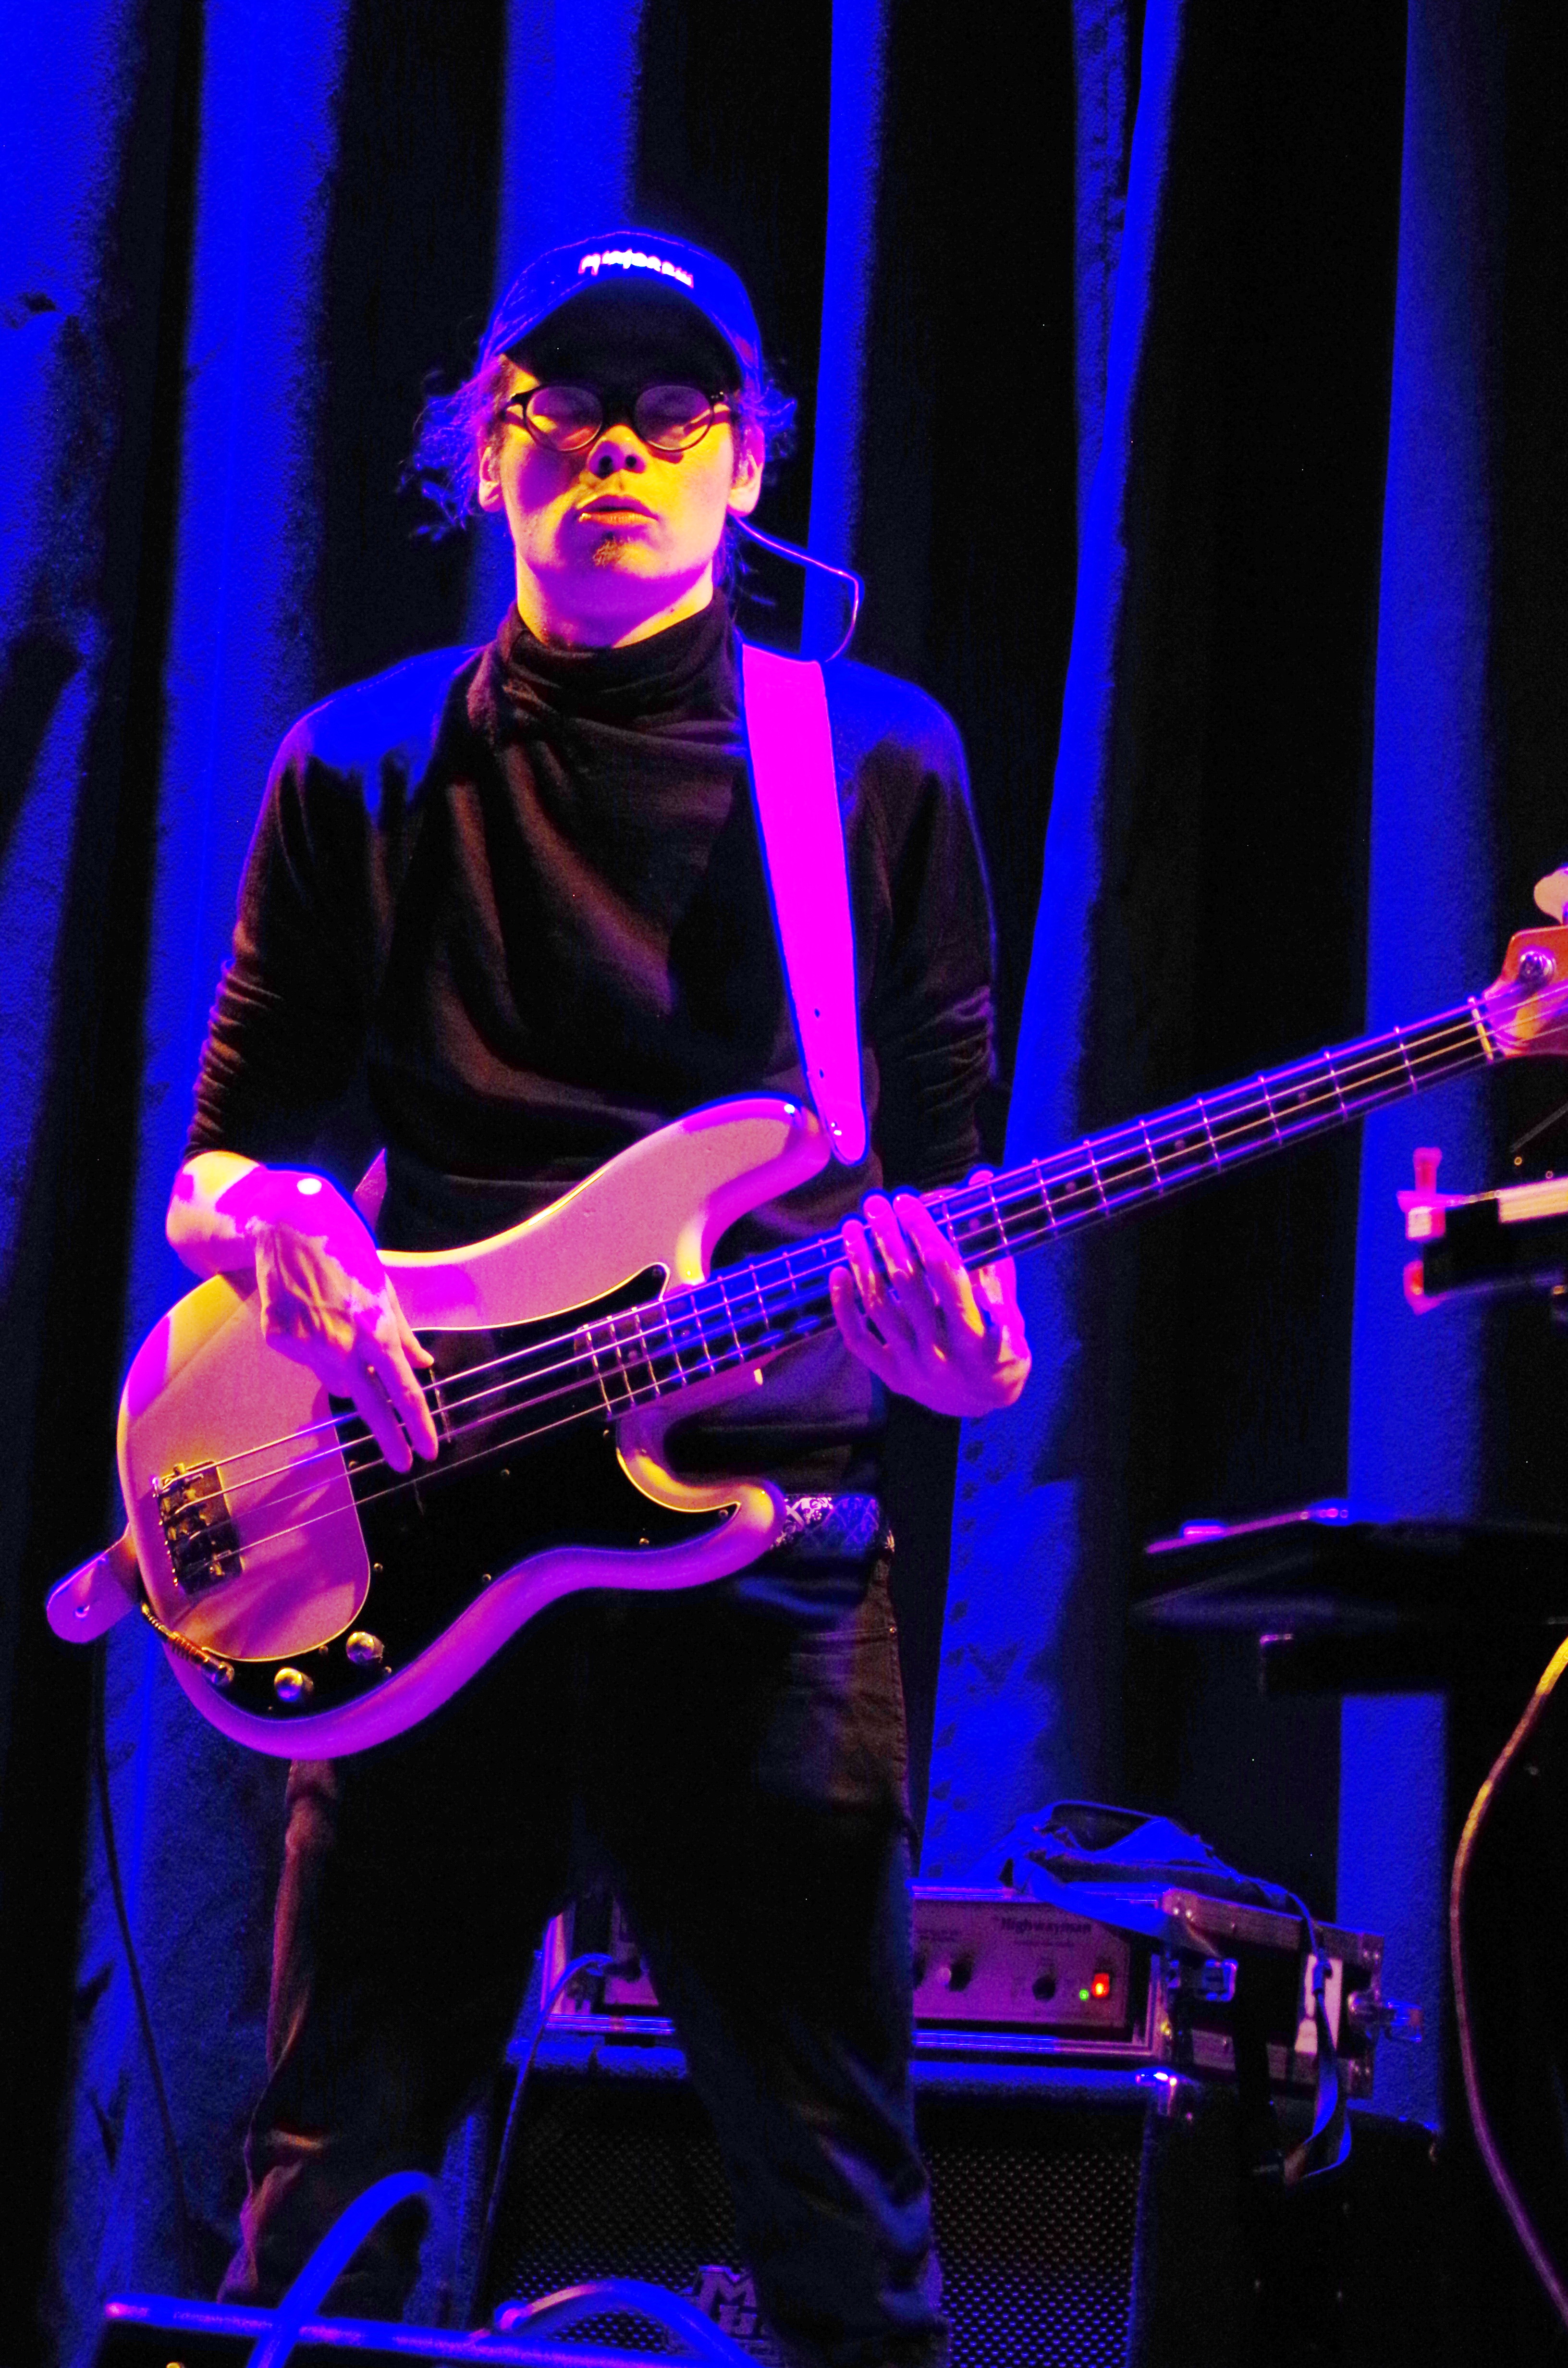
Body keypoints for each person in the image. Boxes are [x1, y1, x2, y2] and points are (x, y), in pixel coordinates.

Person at [166, 229, 1030, 2367]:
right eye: (561, 411)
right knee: (328, 2182)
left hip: (761, 1549)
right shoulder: (363, 764)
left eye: (673, 412)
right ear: (486, 451)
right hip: (424, 1521)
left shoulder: (876, 768)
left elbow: (956, 1212)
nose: (617, 452)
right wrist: (273, 1221)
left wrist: (968, 1344)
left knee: (838, 2208)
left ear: (751, 463)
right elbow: (219, 1159)